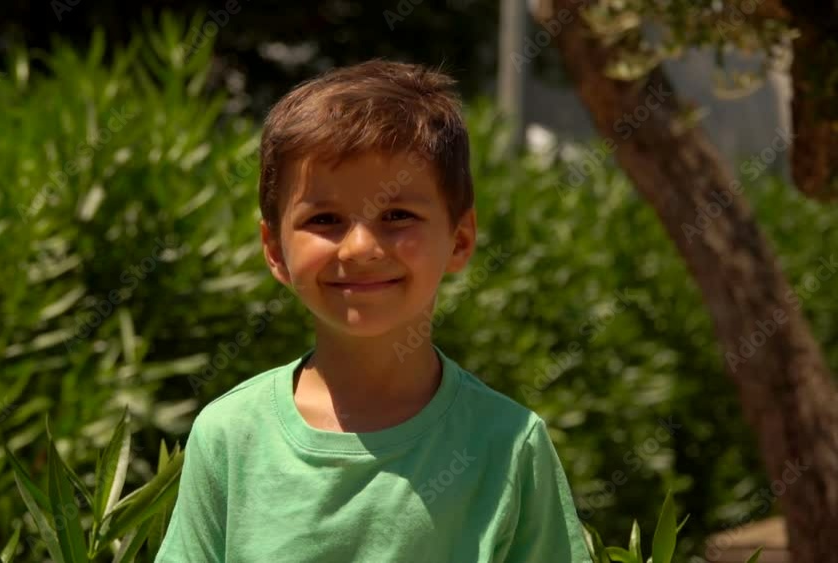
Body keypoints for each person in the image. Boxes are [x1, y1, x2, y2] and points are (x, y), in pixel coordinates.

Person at [155, 58, 590, 562]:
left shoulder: (509, 446)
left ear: (460, 239)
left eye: (397, 215)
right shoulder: (229, 436)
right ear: (275, 250)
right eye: (325, 219)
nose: (360, 247)